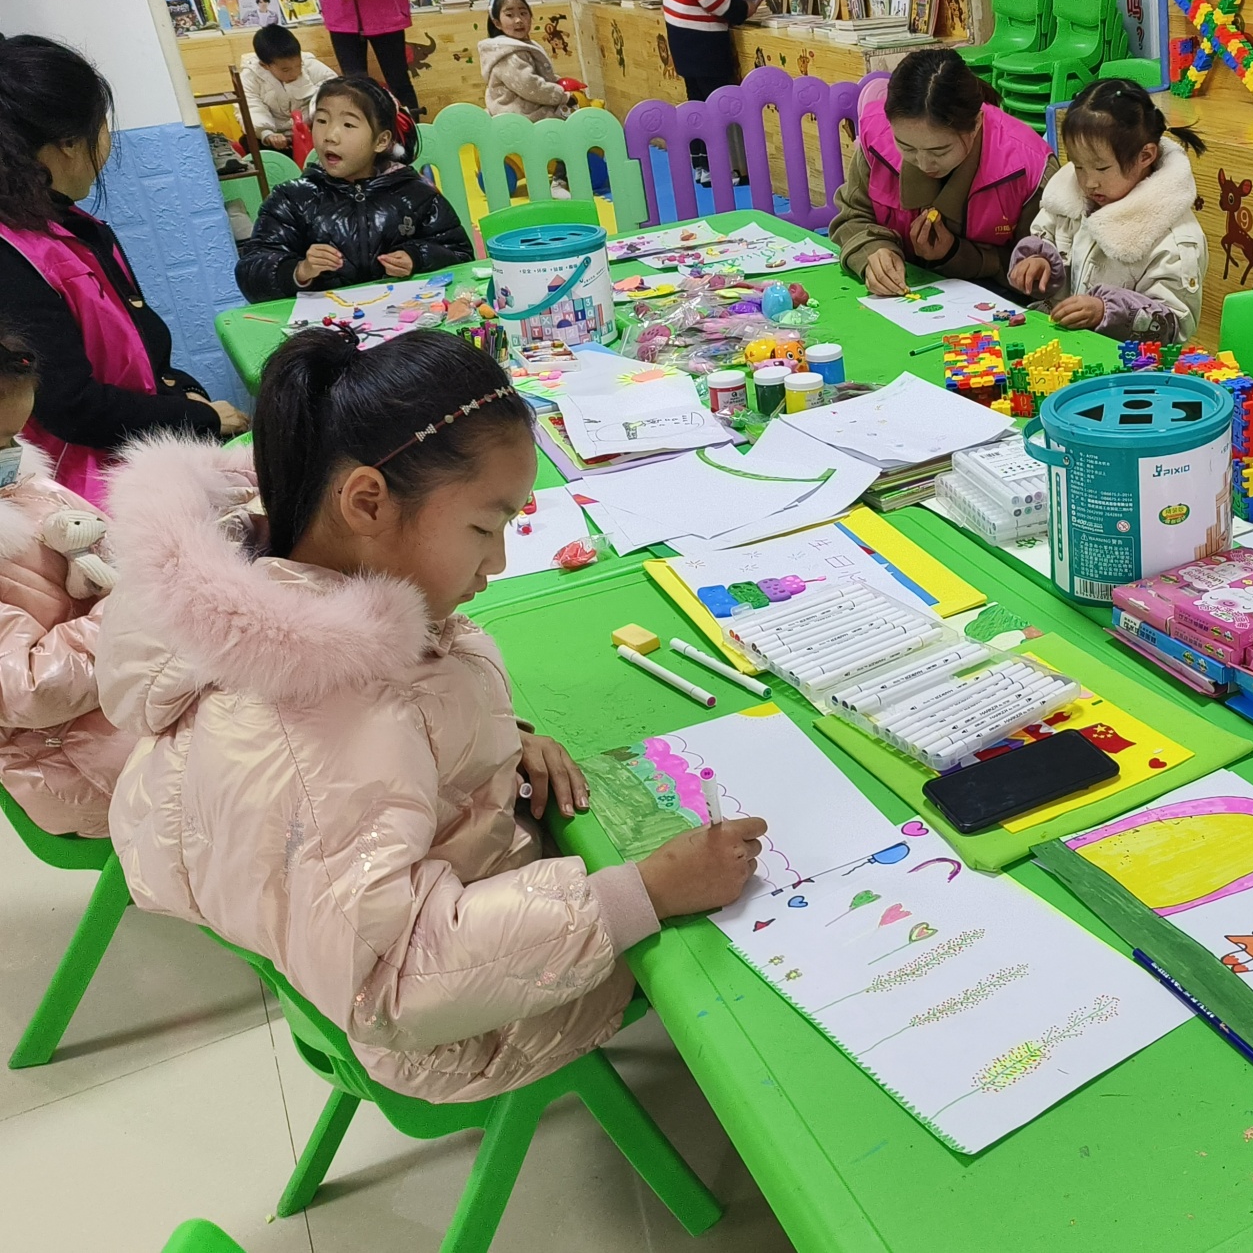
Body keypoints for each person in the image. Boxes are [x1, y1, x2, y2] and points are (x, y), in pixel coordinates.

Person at [103, 329, 768, 1104]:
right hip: (453, 1029)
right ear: (366, 502)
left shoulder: (287, 606)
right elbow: (392, 978)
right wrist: (643, 894)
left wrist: (499, 744)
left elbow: (384, 770)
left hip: (413, 919)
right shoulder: (328, 720)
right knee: (729, 970)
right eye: (485, 528)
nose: (499, 562)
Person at [0, 35, 245, 504]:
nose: (107, 143)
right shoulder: (14, 259)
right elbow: (72, 407)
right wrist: (201, 418)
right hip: (90, 496)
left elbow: (142, 353)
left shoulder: (72, 226)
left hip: (139, 456)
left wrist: (182, 398)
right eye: (102, 127)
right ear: (68, 143)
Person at [0, 330, 130, 839]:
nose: (11, 455)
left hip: (116, 709)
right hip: (74, 766)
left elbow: (105, 554)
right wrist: (132, 610)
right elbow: (30, 689)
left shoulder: (27, 487)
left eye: (14, 438)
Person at [831, 49, 1055, 296]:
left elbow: (1043, 270)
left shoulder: (1027, 168)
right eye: (906, 147)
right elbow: (852, 216)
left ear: (976, 125)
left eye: (940, 151)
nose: (924, 163)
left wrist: (955, 253)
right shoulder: (877, 139)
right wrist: (873, 249)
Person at [234, 76, 472, 302]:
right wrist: (299, 271)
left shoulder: (416, 195)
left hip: (407, 321)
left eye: (348, 124)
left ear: (381, 141)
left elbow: (460, 255)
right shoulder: (292, 199)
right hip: (324, 325)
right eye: (322, 121)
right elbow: (251, 272)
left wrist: (417, 257)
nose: (330, 136)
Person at [1005, 78, 1207, 340]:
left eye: (1101, 168)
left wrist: (1107, 312)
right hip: (1065, 347)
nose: (1089, 182)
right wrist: (1038, 262)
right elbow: (1045, 237)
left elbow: (1175, 326)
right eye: (1078, 166)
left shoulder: (1174, 238)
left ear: (1145, 156)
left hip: (1127, 361)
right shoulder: (1067, 198)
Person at [660, 0, 757, 185]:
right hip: (705, 43)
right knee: (719, 105)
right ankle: (723, 167)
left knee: (696, 105)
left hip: (681, 40)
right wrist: (744, 8)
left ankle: (702, 166)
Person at [478, 0, 572, 123]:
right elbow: (530, 85)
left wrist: (558, 82)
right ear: (497, 23)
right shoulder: (508, 54)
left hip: (532, 104)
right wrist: (561, 95)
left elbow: (540, 74)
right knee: (570, 116)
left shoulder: (524, 44)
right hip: (519, 115)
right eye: (510, 15)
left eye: (523, 13)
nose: (518, 20)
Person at [240, 22, 335, 152]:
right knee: (249, 142)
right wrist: (266, 134)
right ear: (265, 65)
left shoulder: (310, 64)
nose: (295, 73)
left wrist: (315, 121)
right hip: (275, 135)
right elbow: (252, 107)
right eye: (285, 70)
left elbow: (334, 88)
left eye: (298, 66)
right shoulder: (250, 76)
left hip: (311, 131)